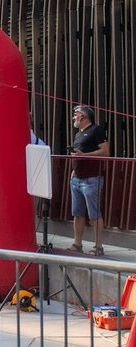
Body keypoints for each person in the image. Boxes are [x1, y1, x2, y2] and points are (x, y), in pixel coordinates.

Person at [69, 104, 109, 255]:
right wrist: (74, 170)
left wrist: (84, 156)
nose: (74, 117)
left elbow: (105, 151)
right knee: (77, 212)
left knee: (94, 214)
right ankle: (77, 244)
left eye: (76, 114)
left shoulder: (96, 130)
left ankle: (98, 247)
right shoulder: (78, 133)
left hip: (91, 179)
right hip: (76, 178)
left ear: (83, 116)